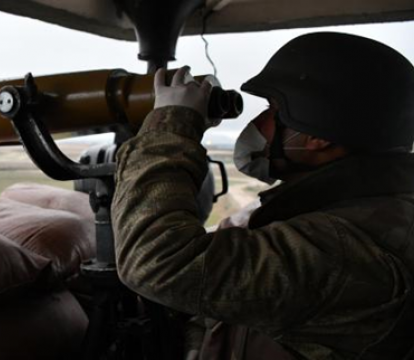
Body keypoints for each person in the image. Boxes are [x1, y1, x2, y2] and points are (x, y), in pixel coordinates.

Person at [111, 32, 414, 359]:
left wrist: (171, 126)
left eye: (272, 109)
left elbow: (158, 263)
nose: (258, 122)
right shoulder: (365, 209)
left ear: (316, 137)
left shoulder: (346, 247)